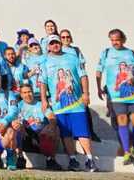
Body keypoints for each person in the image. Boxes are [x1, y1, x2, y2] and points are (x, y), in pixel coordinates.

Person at [41, 35, 98, 171]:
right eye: (52, 43)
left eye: (57, 42)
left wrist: (86, 93)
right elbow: (42, 83)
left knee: (82, 131)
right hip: (59, 106)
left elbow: (83, 76)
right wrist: (44, 100)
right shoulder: (45, 62)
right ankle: (72, 159)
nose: (55, 45)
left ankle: (89, 159)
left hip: (76, 103)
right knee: (66, 133)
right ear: (48, 46)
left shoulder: (72, 57)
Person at [95, 28, 134, 166]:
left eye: (117, 40)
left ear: (123, 39)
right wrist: (98, 88)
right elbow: (98, 71)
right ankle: (126, 152)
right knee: (122, 121)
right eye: (112, 40)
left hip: (133, 94)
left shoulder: (131, 53)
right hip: (115, 95)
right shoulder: (106, 53)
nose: (114, 43)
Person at [14, 83, 62, 170]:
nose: (27, 95)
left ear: (33, 92)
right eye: (24, 93)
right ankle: (20, 157)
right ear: (21, 94)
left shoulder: (41, 104)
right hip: (26, 136)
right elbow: (16, 120)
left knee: (56, 128)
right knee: (17, 127)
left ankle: (50, 159)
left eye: (29, 92)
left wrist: (50, 126)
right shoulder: (18, 106)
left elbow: (51, 117)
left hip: (41, 134)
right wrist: (22, 127)